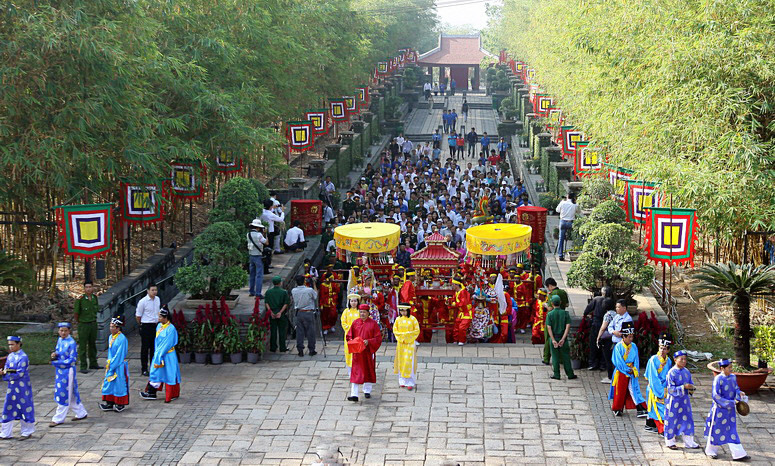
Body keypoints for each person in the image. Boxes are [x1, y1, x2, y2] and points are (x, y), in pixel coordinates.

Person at [704, 359, 750, 461]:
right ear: (722, 368)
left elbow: (736, 388)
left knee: (732, 430)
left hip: (730, 410)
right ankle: (710, 451)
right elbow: (716, 396)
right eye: (729, 368)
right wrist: (730, 403)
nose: (731, 369)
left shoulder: (733, 377)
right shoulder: (718, 379)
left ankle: (738, 454)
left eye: (731, 367)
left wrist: (739, 393)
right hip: (719, 410)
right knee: (715, 430)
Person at [49, 322, 87, 427]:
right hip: (60, 371)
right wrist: (55, 354)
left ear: (69, 331)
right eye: (61, 330)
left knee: (63, 393)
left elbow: (72, 359)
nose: (63, 333)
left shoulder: (71, 343)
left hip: (67, 371)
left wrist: (57, 363)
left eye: (65, 330)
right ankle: (81, 412)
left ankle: (58, 418)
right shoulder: (60, 340)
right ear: (58, 331)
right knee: (71, 392)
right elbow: (58, 351)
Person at [140, 307, 181, 402]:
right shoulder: (159, 326)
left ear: (165, 317)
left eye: (160, 317)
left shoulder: (171, 329)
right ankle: (152, 392)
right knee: (156, 372)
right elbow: (157, 341)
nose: (158, 318)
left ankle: (171, 394)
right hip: (159, 353)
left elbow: (167, 344)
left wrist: (159, 354)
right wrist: (157, 353)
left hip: (168, 355)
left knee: (169, 374)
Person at [608, 321, 648, 417]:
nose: (631, 339)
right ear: (623, 337)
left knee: (634, 389)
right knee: (620, 391)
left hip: (632, 371)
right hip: (621, 372)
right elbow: (618, 361)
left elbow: (636, 360)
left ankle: (640, 408)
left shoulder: (633, 346)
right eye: (629, 337)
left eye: (632, 336)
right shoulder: (618, 347)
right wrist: (627, 369)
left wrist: (635, 369)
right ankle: (617, 408)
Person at [664, 350, 700, 450]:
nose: (684, 361)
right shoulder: (671, 372)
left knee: (687, 420)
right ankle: (670, 441)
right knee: (671, 420)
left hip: (684, 400)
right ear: (675, 360)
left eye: (685, 359)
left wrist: (691, 388)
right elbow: (670, 389)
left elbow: (691, 383)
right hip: (673, 401)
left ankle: (689, 441)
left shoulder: (686, 371)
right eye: (681, 359)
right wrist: (683, 387)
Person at [1, 336, 35, 439]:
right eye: (9, 345)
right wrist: (4, 373)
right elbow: (7, 368)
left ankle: (27, 432)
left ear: (19, 344)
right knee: (8, 407)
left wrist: (6, 374)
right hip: (12, 387)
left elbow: (20, 373)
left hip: (22, 388)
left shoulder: (23, 357)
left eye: (12, 344)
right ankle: (5, 433)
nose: (10, 347)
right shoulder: (10, 356)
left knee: (24, 407)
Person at [346, 304, 382, 402]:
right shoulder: (355, 323)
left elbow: (378, 338)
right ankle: (354, 394)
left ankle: (367, 390)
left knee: (368, 370)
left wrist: (369, 342)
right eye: (361, 312)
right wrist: (353, 342)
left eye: (364, 312)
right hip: (358, 352)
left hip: (368, 352)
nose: (362, 314)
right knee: (355, 372)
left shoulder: (373, 324)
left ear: (368, 313)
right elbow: (349, 336)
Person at [644, 332, 672, 435]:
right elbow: (653, 378)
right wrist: (661, 392)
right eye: (660, 348)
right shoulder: (653, 360)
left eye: (664, 349)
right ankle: (662, 428)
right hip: (655, 388)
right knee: (659, 409)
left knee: (660, 408)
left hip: (664, 388)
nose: (662, 351)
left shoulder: (668, 361)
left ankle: (650, 424)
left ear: (668, 350)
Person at [100, 316, 129, 413]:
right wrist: (109, 362)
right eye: (110, 326)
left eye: (113, 327)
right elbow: (110, 352)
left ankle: (120, 403)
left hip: (118, 365)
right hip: (111, 364)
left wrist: (112, 364)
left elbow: (120, 354)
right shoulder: (110, 337)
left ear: (118, 328)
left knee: (119, 385)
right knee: (109, 383)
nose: (111, 328)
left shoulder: (122, 339)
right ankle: (109, 403)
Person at [545, 295, 577, 380]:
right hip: (563, 338)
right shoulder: (565, 313)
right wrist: (563, 338)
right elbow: (568, 326)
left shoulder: (550, 314)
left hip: (554, 337)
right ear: (560, 302)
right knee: (566, 356)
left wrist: (553, 340)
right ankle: (570, 374)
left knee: (555, 357)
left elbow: (549, 328)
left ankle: (557, 374)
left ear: (552, 303)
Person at [583, 286, 613, 370]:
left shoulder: (597, 299)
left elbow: (587, 310)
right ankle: (603, 364)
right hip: (607, 325)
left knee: (593, 344)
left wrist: (586, 315)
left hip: (597, 323)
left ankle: (593, 363)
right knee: (605, 345)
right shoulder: (611, 301)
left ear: (602, 292)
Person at [74, 281, 101, 374]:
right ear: (84, 288)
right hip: (84, 324)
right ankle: (83, 366)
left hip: (93, 323)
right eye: (86, 287)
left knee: (92, 344)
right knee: (83, 346)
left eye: (90, 287)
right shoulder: (80, 299)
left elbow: (96, 309)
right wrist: (80, 321)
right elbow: (76, 313)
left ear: (93, 288)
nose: (88, 289)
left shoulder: (94, 298)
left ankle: (93, 363)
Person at [392, 305, 420, 390]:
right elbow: (395, 331)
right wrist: (402, 337)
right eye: (401, 310)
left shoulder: (413, 319)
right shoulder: (398, 319)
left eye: (405, 310)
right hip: (401, 343)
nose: (403, 312)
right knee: (401, 360)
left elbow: (416, 331)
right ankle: (402, 380)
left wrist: (407, 336)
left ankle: (410, 381)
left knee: (409, 361)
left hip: (410, 343)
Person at [135, 283, 161, 376]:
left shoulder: (157, 299)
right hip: (146, 325)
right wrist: (141, 325)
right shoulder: (143, 301)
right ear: (148, 291)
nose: (154, 292)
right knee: (145, 348)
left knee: (154, 347)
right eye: (152, 290)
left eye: (155, 290)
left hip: (156, 325)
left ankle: (154, 367)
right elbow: (138, 316)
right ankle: (144, 368)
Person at [542, 278, 568, 365]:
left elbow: (550, 308)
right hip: (562, 318)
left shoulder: (552, 294)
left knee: (548, 338)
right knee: (561, 337)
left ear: (549, 286)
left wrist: (545, 305)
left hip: (552, 318)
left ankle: (546, 358)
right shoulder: (563, 292)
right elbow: (567, 304)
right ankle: (560, 359)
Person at [291, 274, 318, 357]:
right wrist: (314, 284)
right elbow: (315, 296)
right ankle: (311, 349)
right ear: (304, 281)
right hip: (309, 312)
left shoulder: (293, 290)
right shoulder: (309, 290)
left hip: (299, 312)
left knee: (300, 332)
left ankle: (300, 350)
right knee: (310, 332)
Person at [266, 276, 291, 352]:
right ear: (280, 283)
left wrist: (271, 312)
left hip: (272, 313)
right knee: (282, 331)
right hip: (281, 313)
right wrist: (280, 312)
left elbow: (266, 303)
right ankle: (282, 347)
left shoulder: (268, 292)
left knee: (273, 331)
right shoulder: (283, 292)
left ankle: (273, 347)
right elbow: (286, 303)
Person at [247, 219, 268, 297]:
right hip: (258, 256)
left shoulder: (248, 234)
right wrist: (265, 234)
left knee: (252, 274)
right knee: (259, 275)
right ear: (258, 228)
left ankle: (251, 291)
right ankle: (258, 293)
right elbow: (266, 242)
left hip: (251, 255)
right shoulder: (259, 235)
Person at [341, 293, 361, 375]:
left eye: (355, 301)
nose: (353, 303)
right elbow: (343, 323)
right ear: (349, 302)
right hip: (348, 336)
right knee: (349, 352)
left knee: (358, 352)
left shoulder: (360, 311)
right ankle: (350, 371)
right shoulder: (346, 311)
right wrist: (351, 329)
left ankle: (358, 370)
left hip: (358, 335)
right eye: (352, 301)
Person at [555, 194, 578, 261]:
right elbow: (578, 211)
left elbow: (557, 210)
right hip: (571, 223)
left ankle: (560, 255)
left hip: (563, 222)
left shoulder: (562, 203)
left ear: (567, 197)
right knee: (577, 235)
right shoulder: (575, 205)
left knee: (561, 238)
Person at [318, 269, 340, 335]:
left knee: (333, 314)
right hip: (325, 303)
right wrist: (321, 304)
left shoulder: (333, 284)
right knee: (325, 316)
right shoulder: (322, 285)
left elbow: (337, 291)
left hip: (332, 302)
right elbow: (321, 296)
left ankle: (332, 325)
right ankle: (326, 327)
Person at [452, 280, 473, 345]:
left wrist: (454, 304)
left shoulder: (463, 292)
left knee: (462, 327)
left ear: (457, 285)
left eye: (453, 284)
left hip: (467, 313)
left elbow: (463, 303)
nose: (452, 286)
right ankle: (456, 340)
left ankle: (462, 340)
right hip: (460, 312)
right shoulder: (456, 292)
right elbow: (453, 300)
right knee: (456, 327)